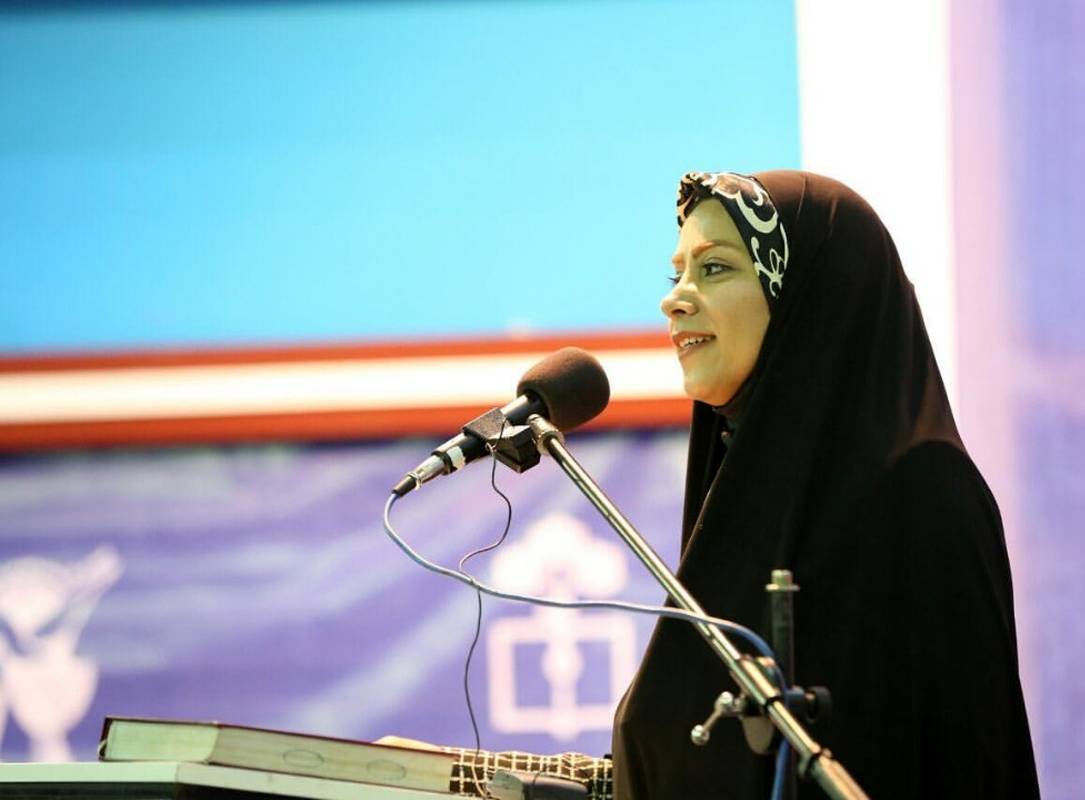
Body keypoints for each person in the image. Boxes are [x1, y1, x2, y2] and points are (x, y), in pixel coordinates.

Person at [384, 170, 1039, 800]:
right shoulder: (755, 503)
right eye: (677, 274)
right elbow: (690, 774)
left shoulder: (919, 493)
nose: (675, 298)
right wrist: (456, 779)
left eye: (716, 268)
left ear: (809, 295)